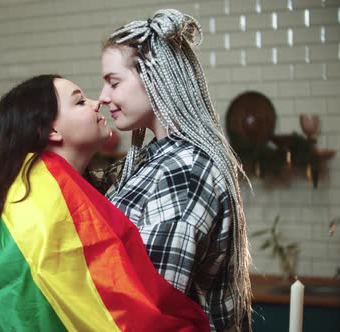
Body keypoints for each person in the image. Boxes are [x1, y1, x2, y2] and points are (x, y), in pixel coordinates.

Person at [0, 74, 209, 332]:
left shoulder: (70, 185)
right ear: (52, 130)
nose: (97, 101)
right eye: (80, 100)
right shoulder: (33, 192)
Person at [95, 9, 252, 332]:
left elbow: (150, 309)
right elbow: (89, 195)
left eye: (114, 82)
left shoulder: (185, 171)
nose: (103, 97)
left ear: (154, 77)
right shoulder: (156, 156)